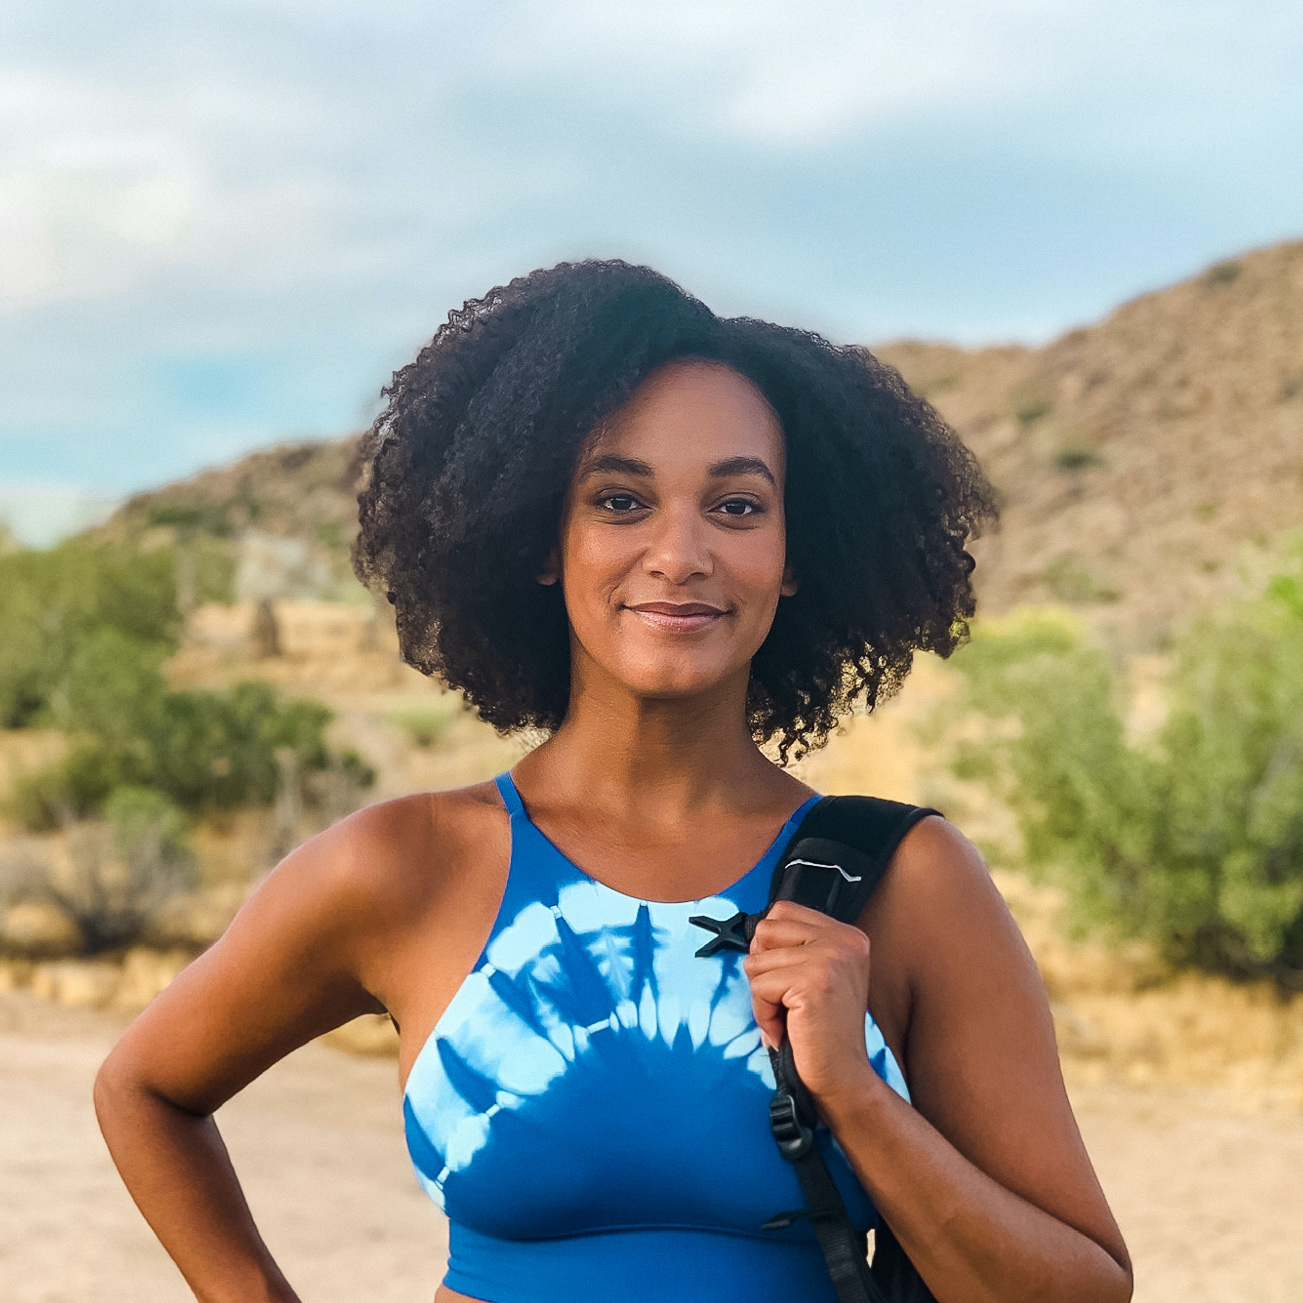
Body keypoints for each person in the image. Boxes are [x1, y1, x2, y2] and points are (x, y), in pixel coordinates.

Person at [95, 260, 1133, 1303]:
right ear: (541, 540)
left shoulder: (901, 883)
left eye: (734, 504)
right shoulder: (404, 867)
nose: (678, 552)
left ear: (794, 554)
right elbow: (146, 1089)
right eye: (620, 499)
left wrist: (855, 1097)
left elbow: (1083, 1290)